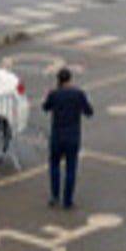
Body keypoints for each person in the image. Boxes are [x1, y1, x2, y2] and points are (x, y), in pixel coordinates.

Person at [42, 67, 94, 209]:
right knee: (71, 168)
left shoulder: (54, 94)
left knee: (54, 166)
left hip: (57, 136)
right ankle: (68, 200)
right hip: (72, 136)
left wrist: (48, 96)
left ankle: (54, 196)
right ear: (70, 79)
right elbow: (89, 112)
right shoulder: (78, 94)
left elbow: (45, 107)